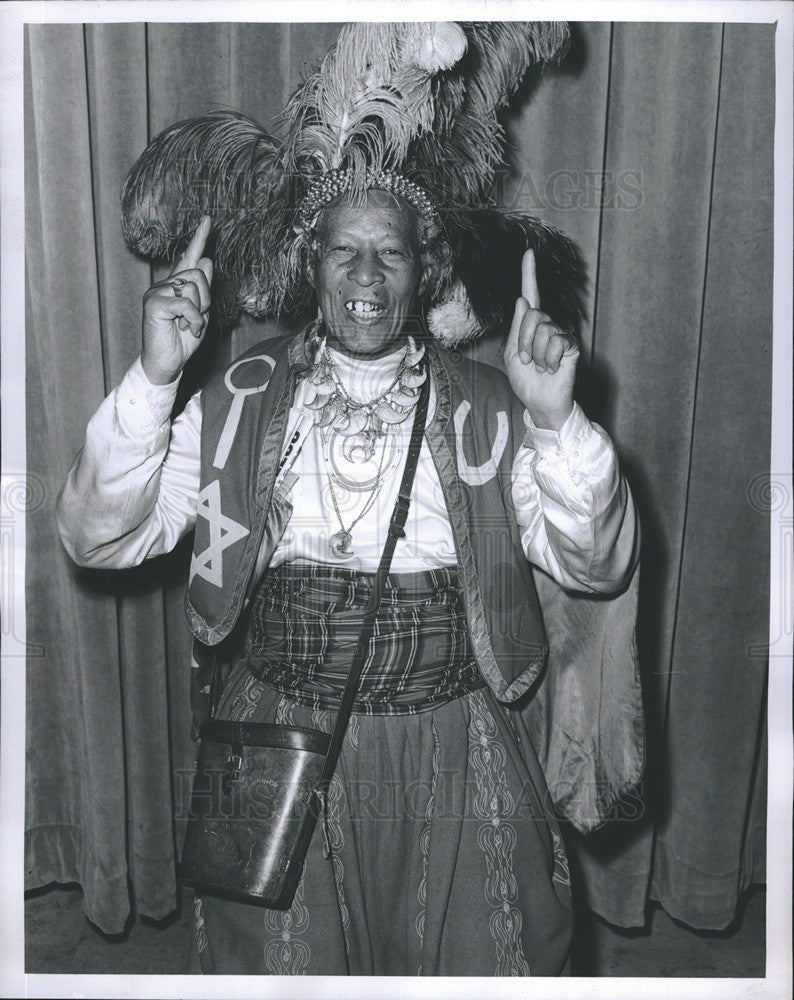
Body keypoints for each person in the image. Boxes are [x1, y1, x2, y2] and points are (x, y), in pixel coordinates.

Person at [57, 179, 638, 974]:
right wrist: (157, 378)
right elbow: (97, 537)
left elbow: (596, 565)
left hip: (458, 740)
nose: (367, 275)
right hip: (276, 734)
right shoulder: (240, 398)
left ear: (423, 273)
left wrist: (555, 420)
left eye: (391, 252)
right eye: (344, 251)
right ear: (312, 264)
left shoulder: (491, 403)